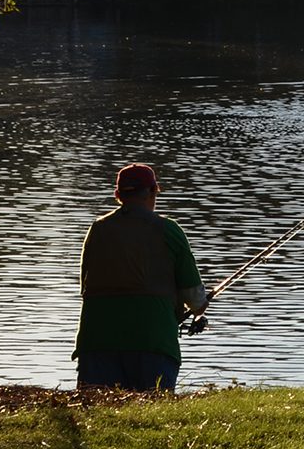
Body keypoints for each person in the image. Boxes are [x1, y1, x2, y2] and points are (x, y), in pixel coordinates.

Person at [73, 163, 208, 391]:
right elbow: (194, 297)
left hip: (96, 341)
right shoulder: (169, 230)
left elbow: (86, 285)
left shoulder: (97, 230)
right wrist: (200, 308)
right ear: (153, 192)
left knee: (95, 415)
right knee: (152, 411)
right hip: (153, 342)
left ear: (118, 195)